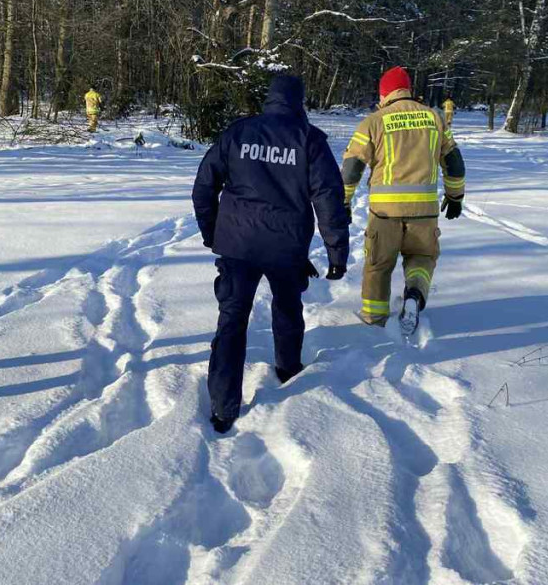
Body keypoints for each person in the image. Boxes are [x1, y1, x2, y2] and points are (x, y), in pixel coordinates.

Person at [192, 75, 350, 433]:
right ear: (300, 102)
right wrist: (336, 252)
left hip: (238, 244)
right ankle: (288, 368)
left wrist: (213, 233)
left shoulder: (239, 132)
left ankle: (223, 407)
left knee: (231, 320)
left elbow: (203, 186)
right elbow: (328, 198)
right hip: (285, 245)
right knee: (287, 307)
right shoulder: (308, 140)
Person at [341, 66, 465, 333]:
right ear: (408, 89)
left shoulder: (374, 121)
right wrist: (455, 196)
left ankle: (373, 322)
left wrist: (344, 202)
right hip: (424, 212)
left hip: (385, 214)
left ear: (385, 93)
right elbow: (454, 163)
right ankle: (414, 296)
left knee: (378, 265)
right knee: (422, 258)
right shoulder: (435, 118)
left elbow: (352, 167)